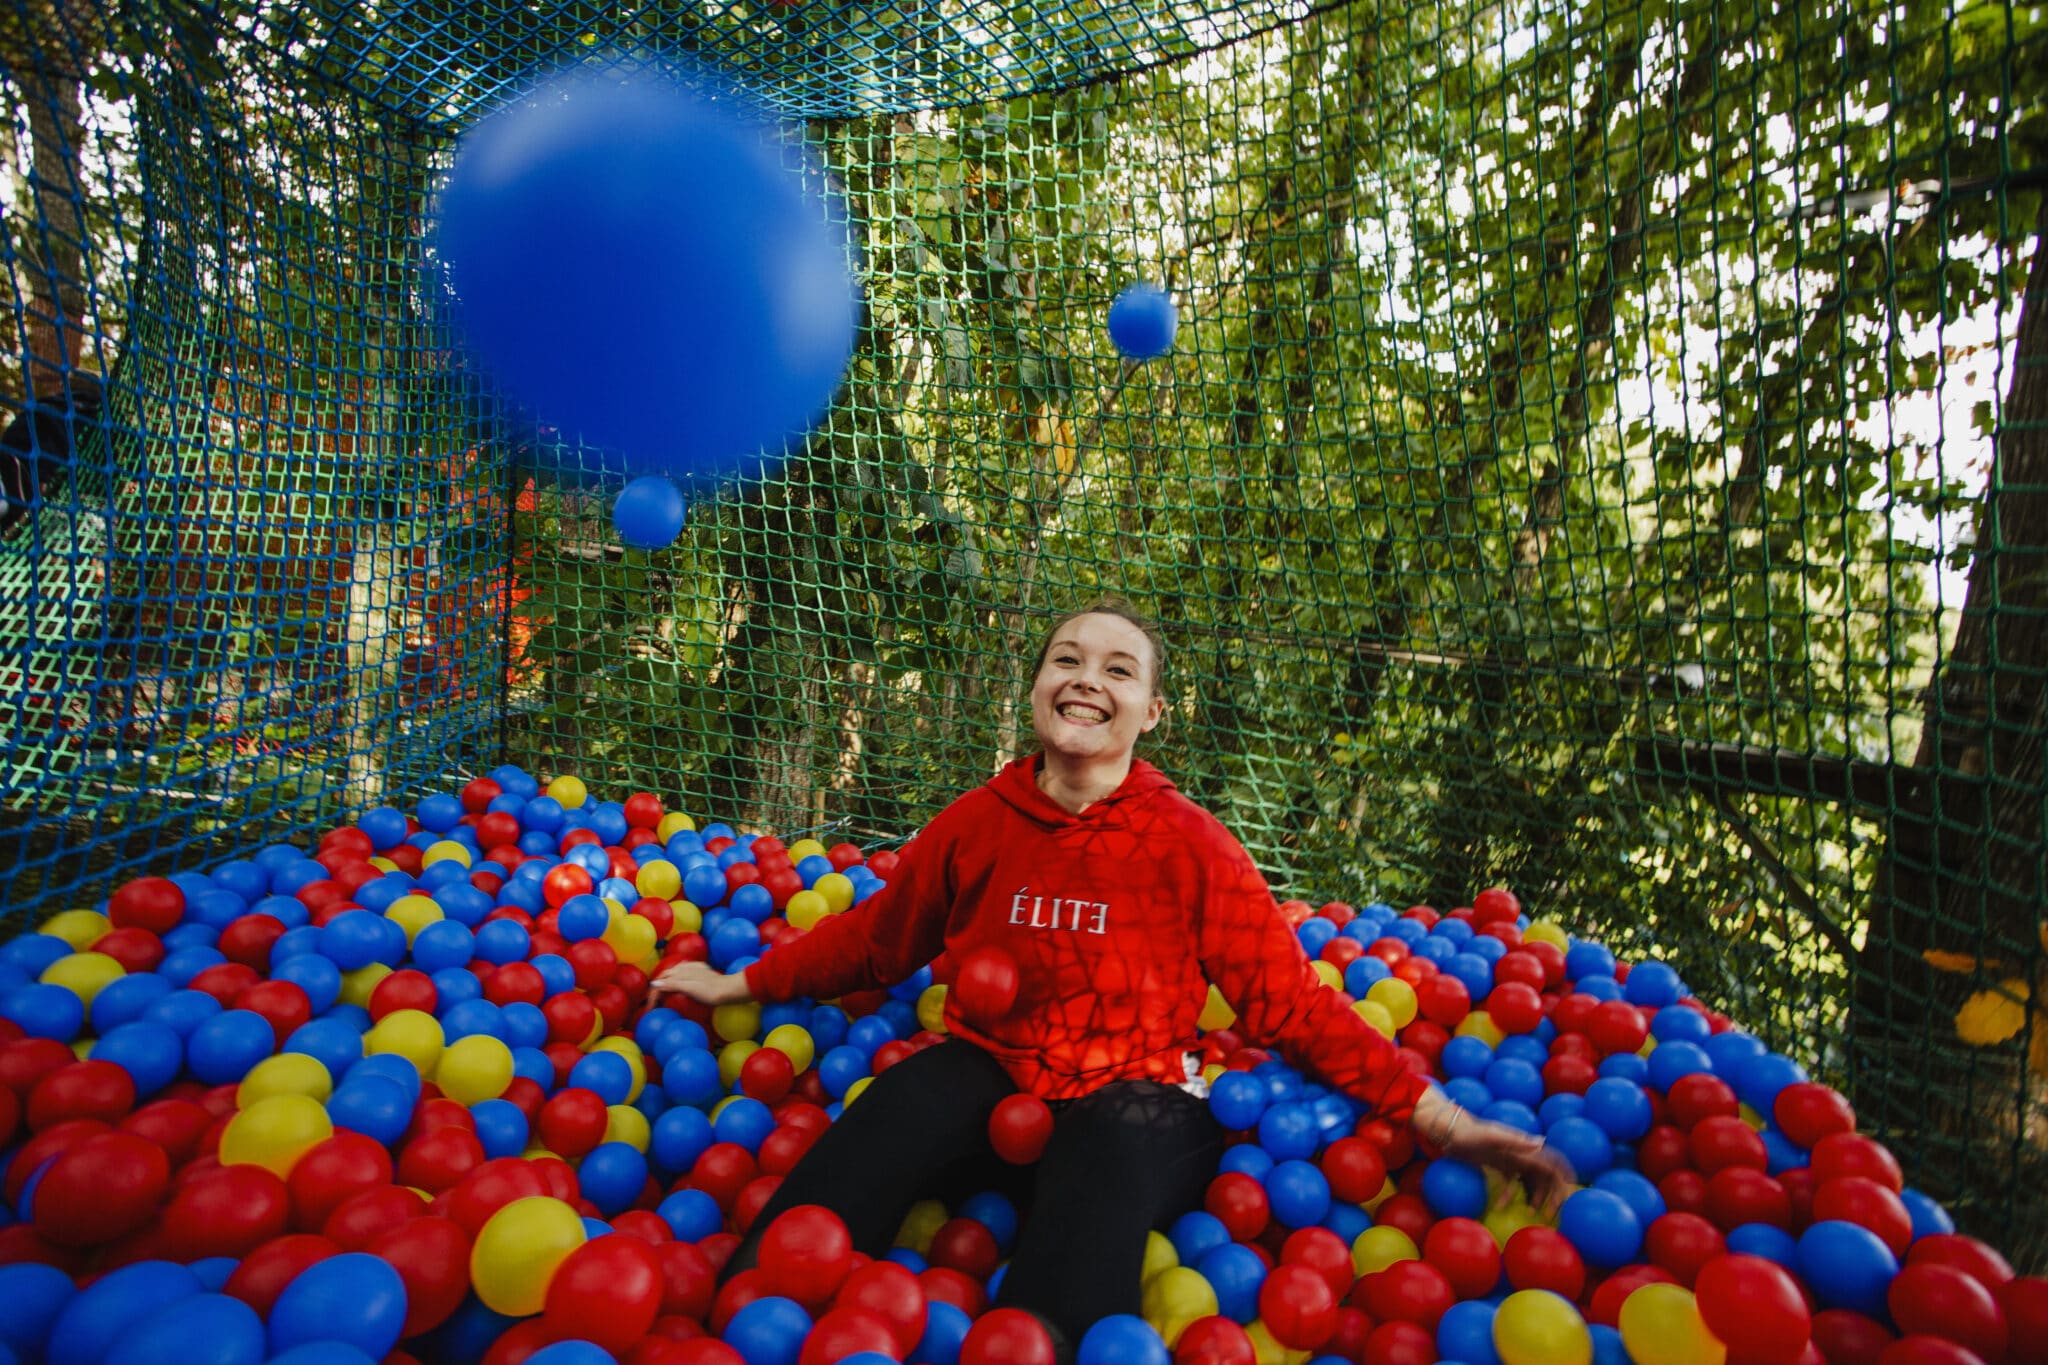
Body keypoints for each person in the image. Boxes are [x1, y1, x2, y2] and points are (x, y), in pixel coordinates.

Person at [651, 597, 1571, 1340]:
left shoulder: (1190, 843)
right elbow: (881, 938)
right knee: (894, 1108)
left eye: (1118, 669)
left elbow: (1288, 1003)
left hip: (1135, 1090)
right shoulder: (978, 821)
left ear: (1151, 711)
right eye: (1067, 659)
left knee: (1099, 1154)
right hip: (993, 1068)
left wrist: (1445, 1122)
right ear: (1038, 686)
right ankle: (736, 1328)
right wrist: (743, 983)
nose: (1087, 679)